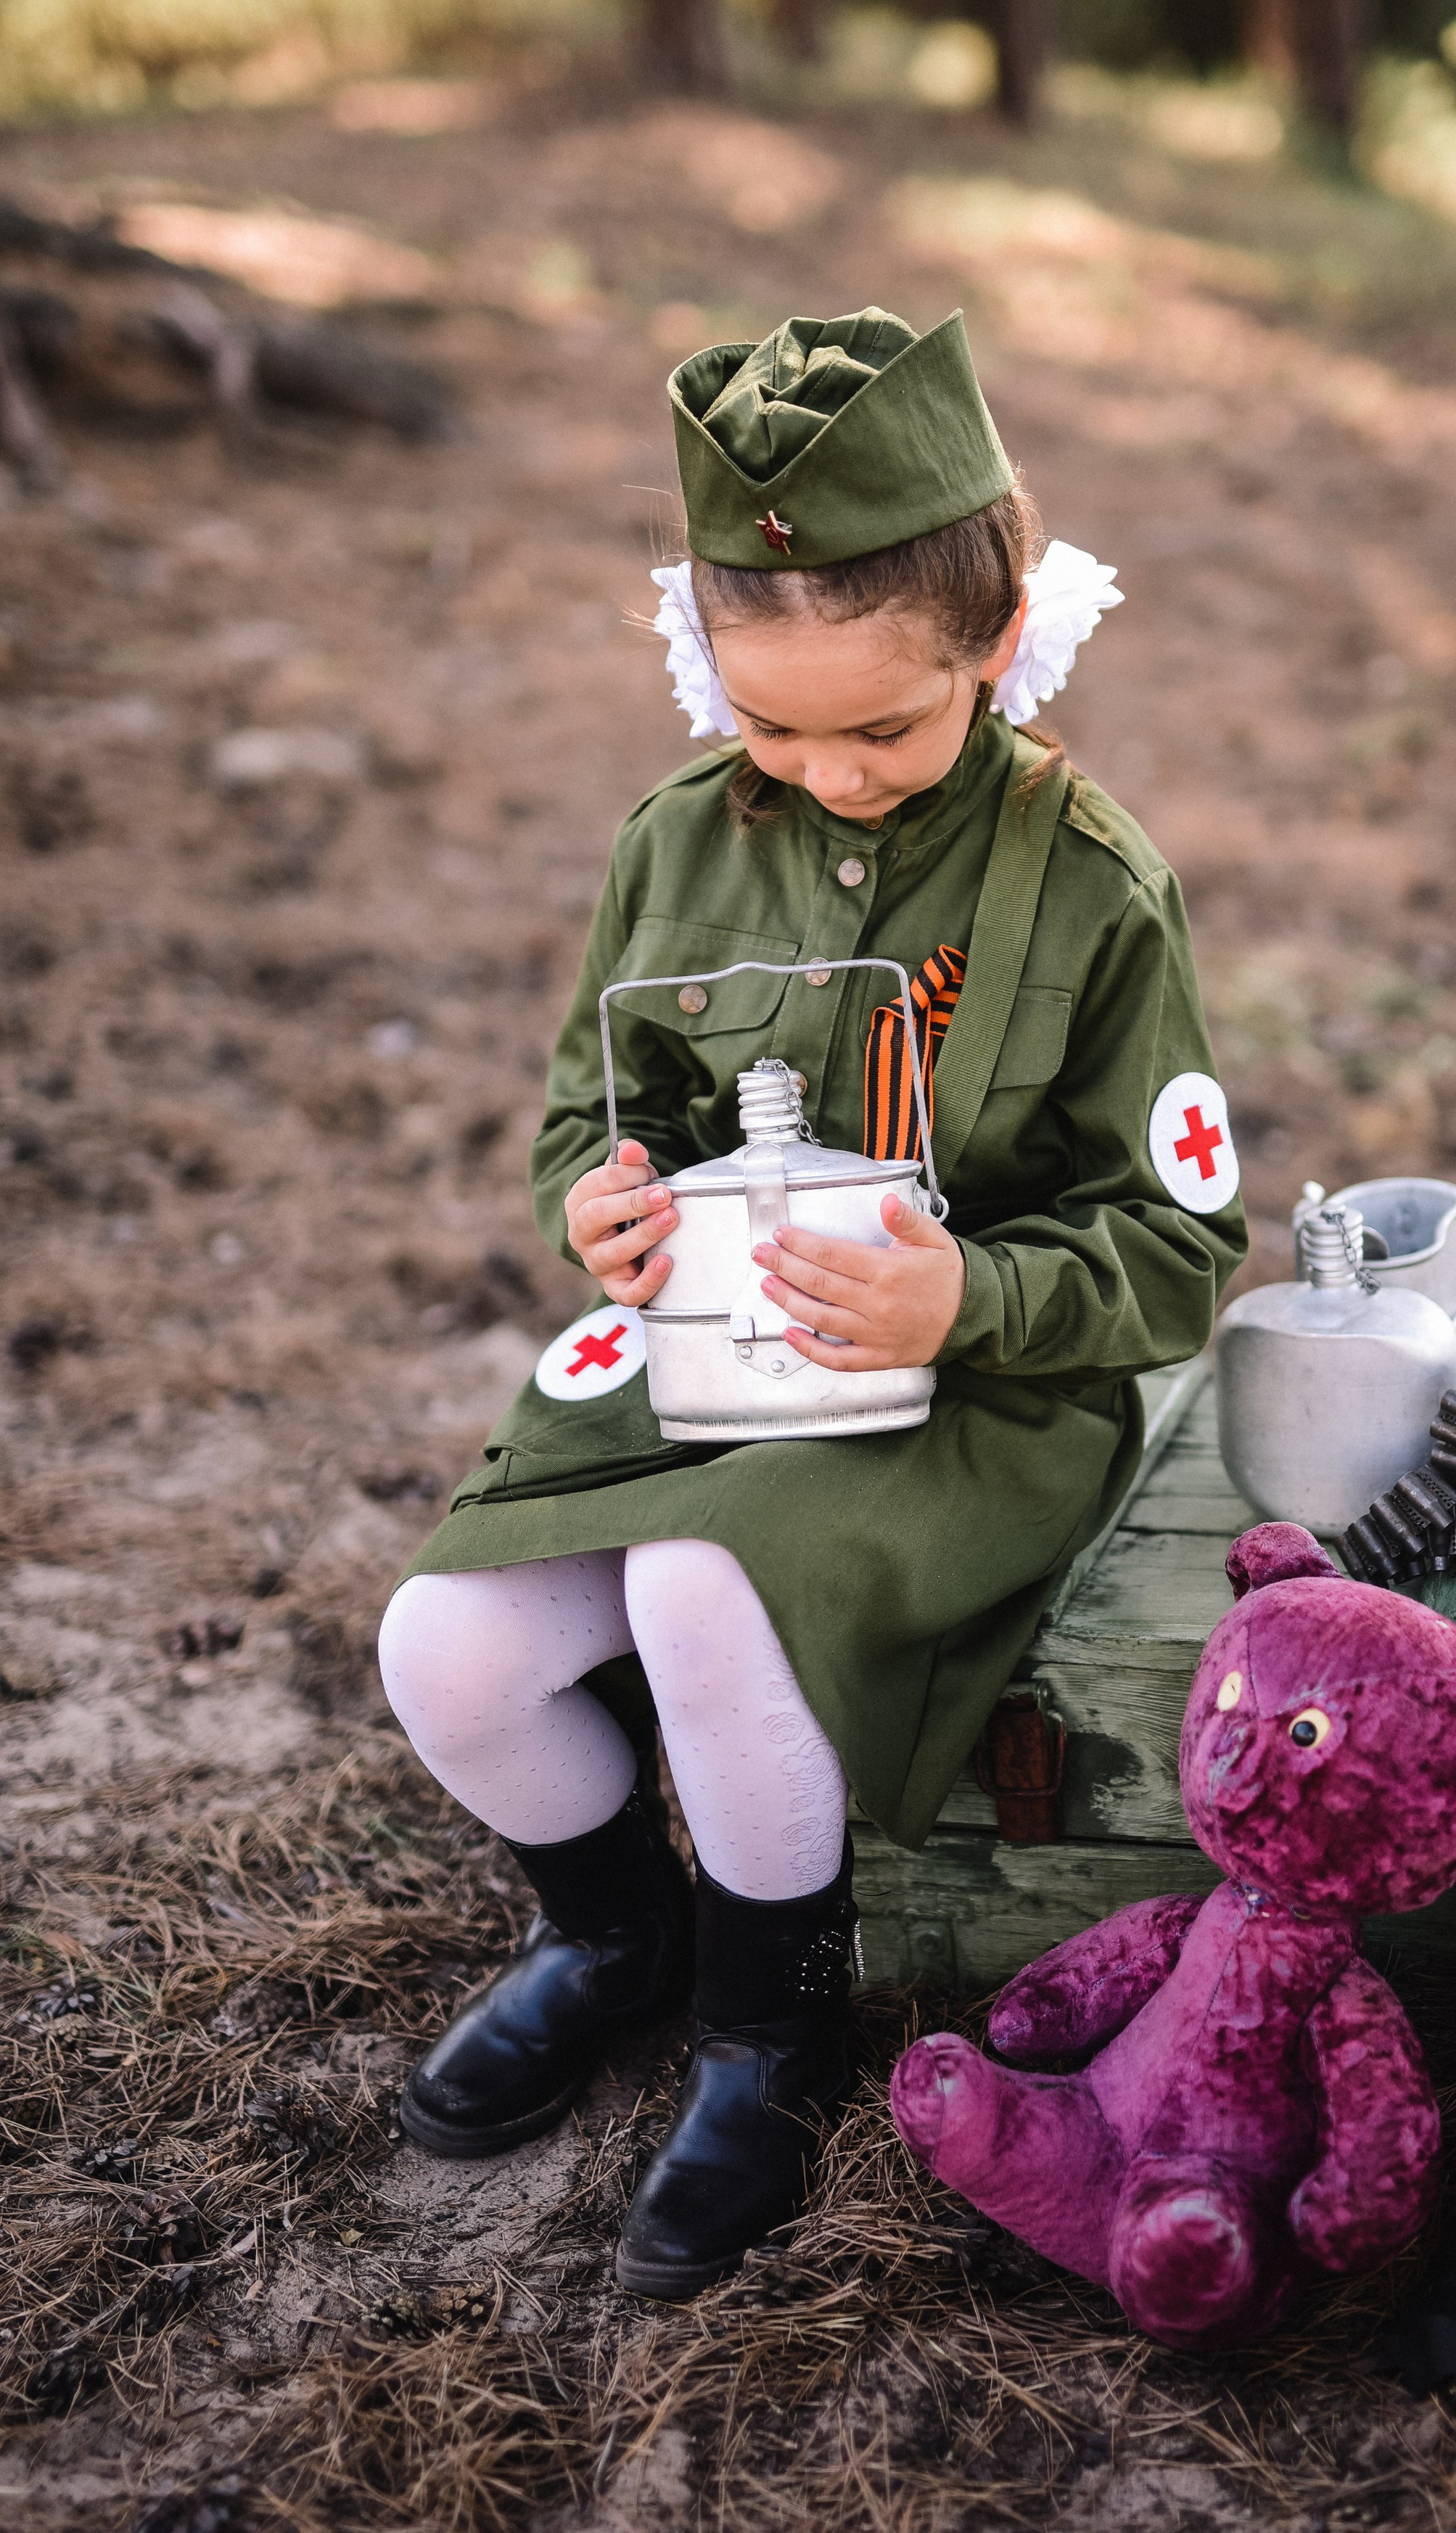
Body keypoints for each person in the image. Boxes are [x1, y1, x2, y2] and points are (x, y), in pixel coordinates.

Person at [376, 305, 1249, 2298]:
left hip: (976, 1383)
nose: (828, 776)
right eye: (770, 728)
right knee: (450, 1648)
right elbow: (583, 1122)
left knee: (697, 1583)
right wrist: (597, 1207)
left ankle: (772, 2029)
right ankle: (615, 1932)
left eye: (885, 729)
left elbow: (1182, 1244)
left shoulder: (1089, 883)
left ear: (1000, 637)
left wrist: (970, 1294)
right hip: (710, 1354)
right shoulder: (678, 847)